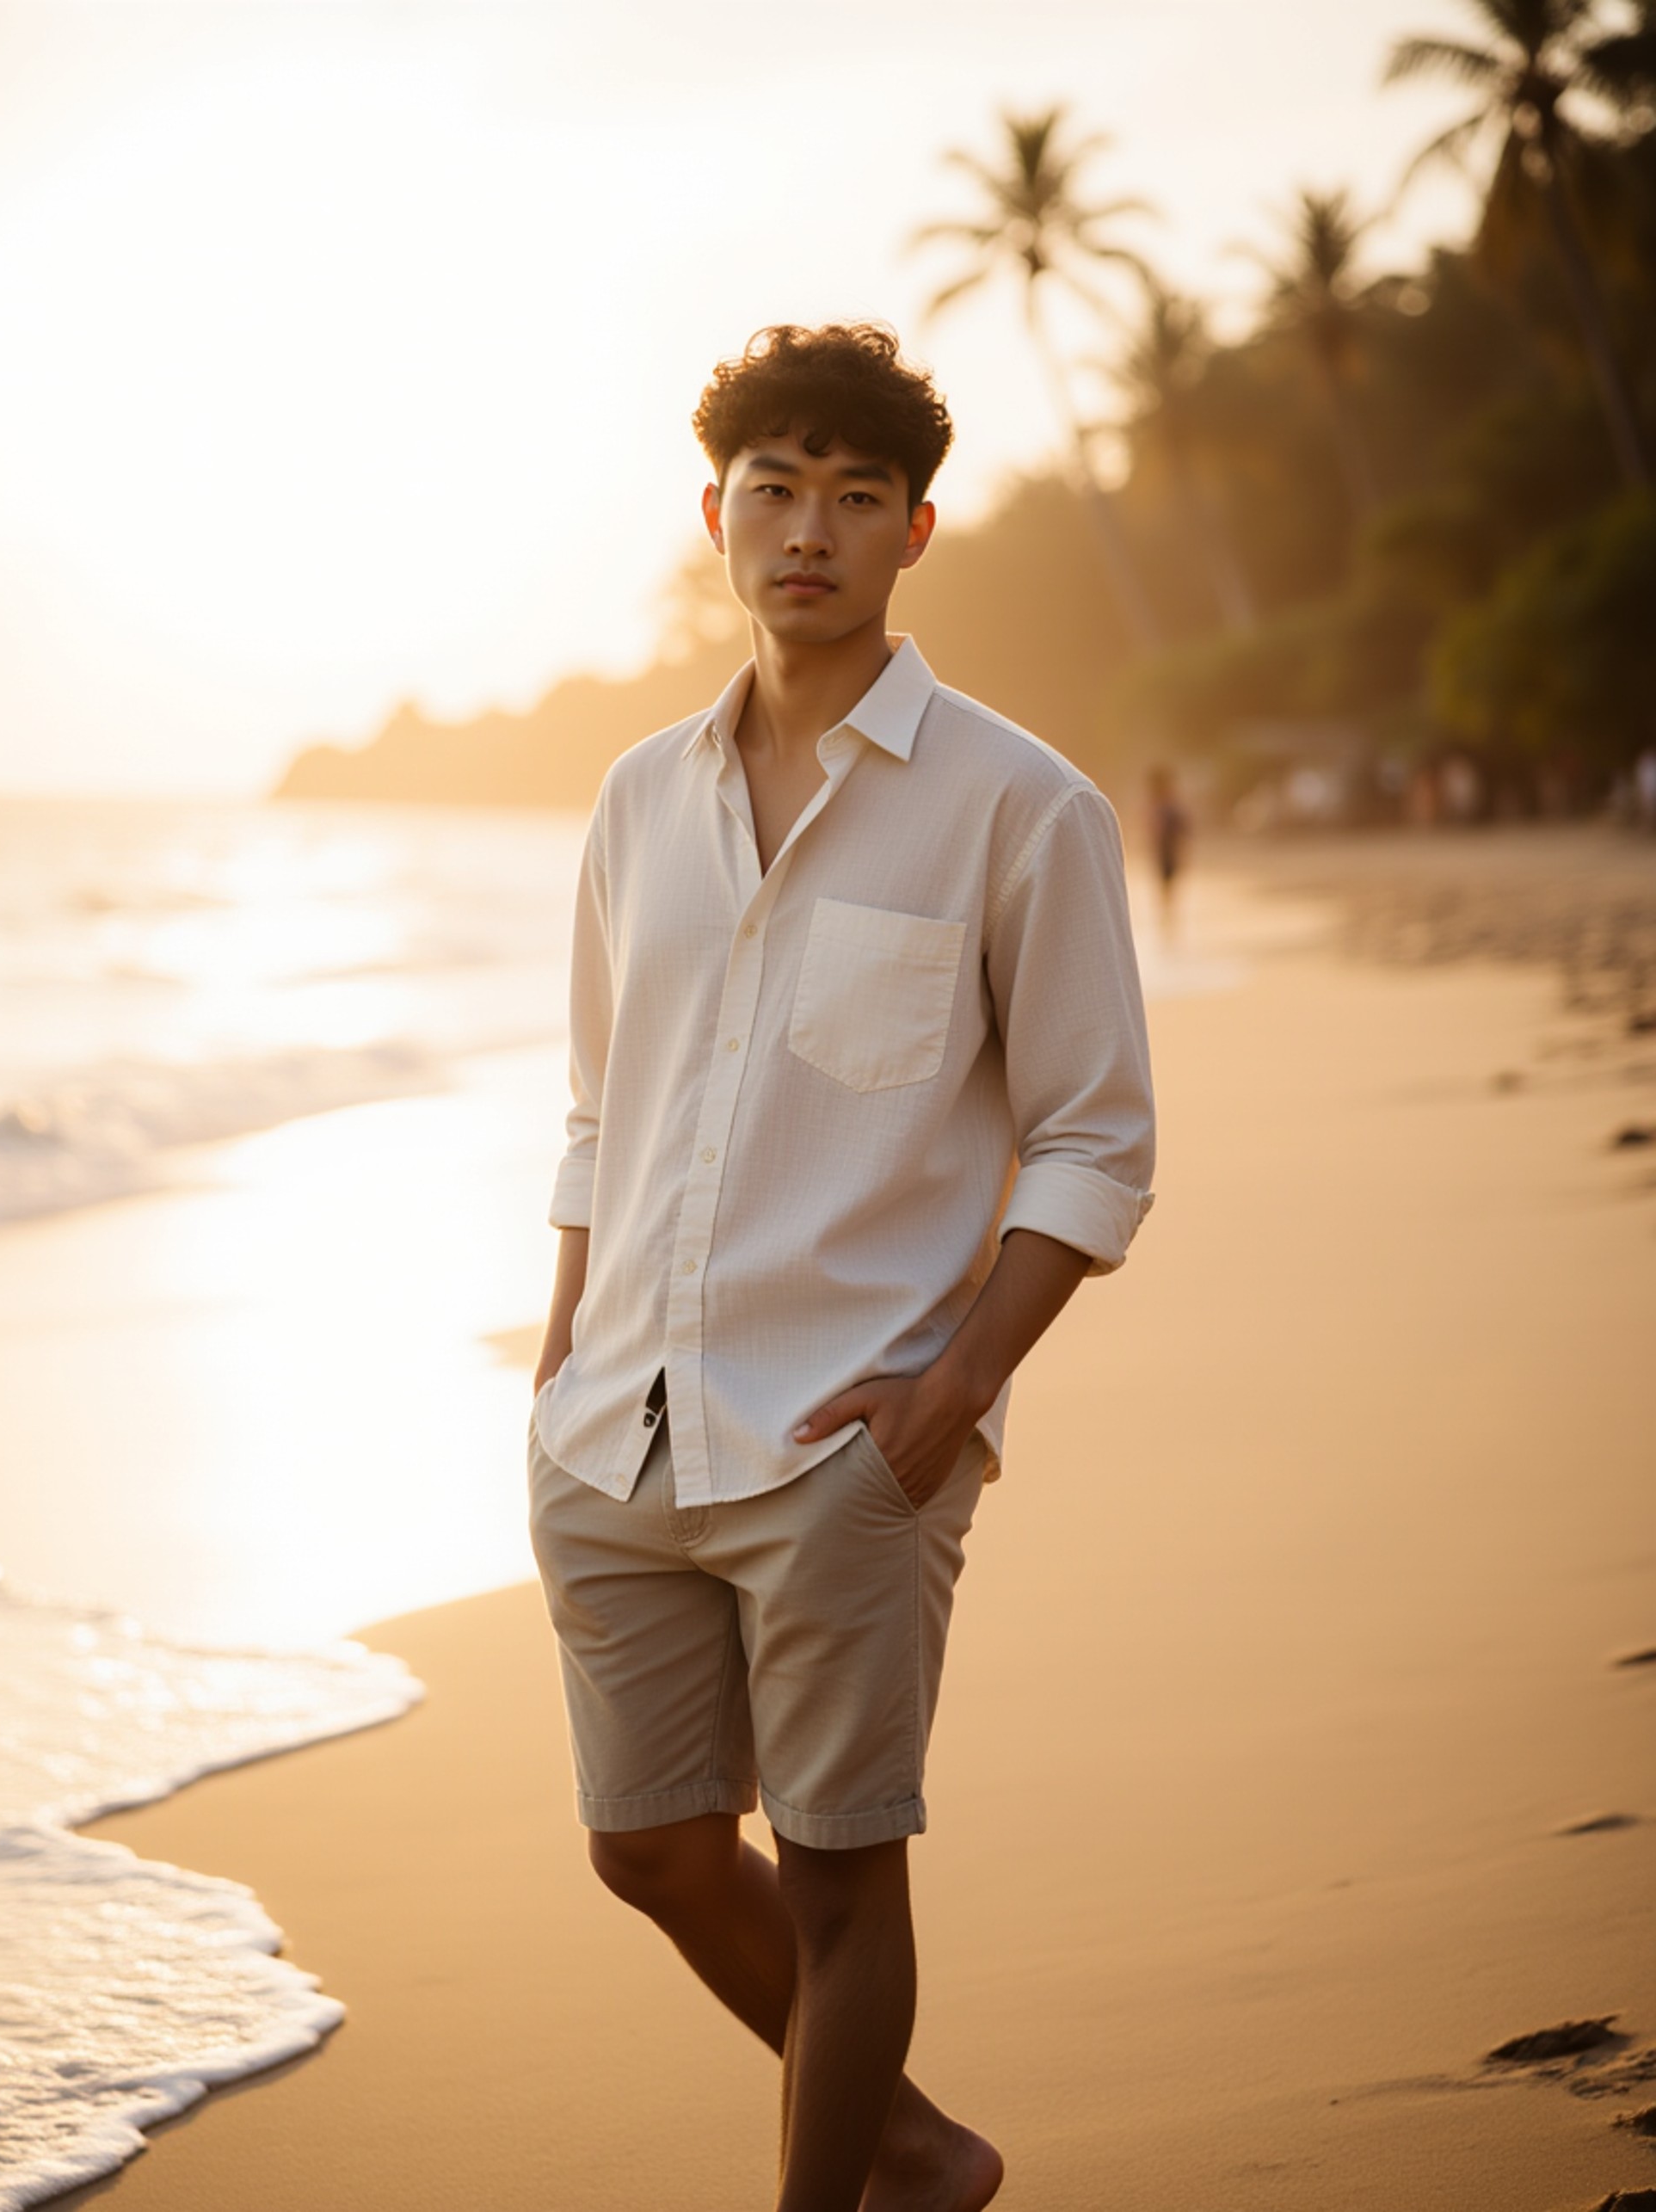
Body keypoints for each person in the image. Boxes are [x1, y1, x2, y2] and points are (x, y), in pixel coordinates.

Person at [528, 322, 1156, 2212]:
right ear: (714, 513)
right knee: (644, 1843)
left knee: (837, 1860)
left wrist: (952, 1392)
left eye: (854, 496)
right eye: (774, 488)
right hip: (615, 1432)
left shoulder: (1015, 803)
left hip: (842, 1438)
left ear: (914, 533)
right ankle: (908, 2142)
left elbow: (1094, 1137)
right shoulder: (638, 799)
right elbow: (592, 1106)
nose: (808, 528)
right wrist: (559, 1366)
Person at [1145, 764, 1190, 943]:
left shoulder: (1166, 806)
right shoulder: (1164, 805)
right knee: (1166, 890)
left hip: (1167, 852)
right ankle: (1167, 925)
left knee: (1167, 891)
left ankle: (1167, 925)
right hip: (1164, 853)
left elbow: (1181, 832)